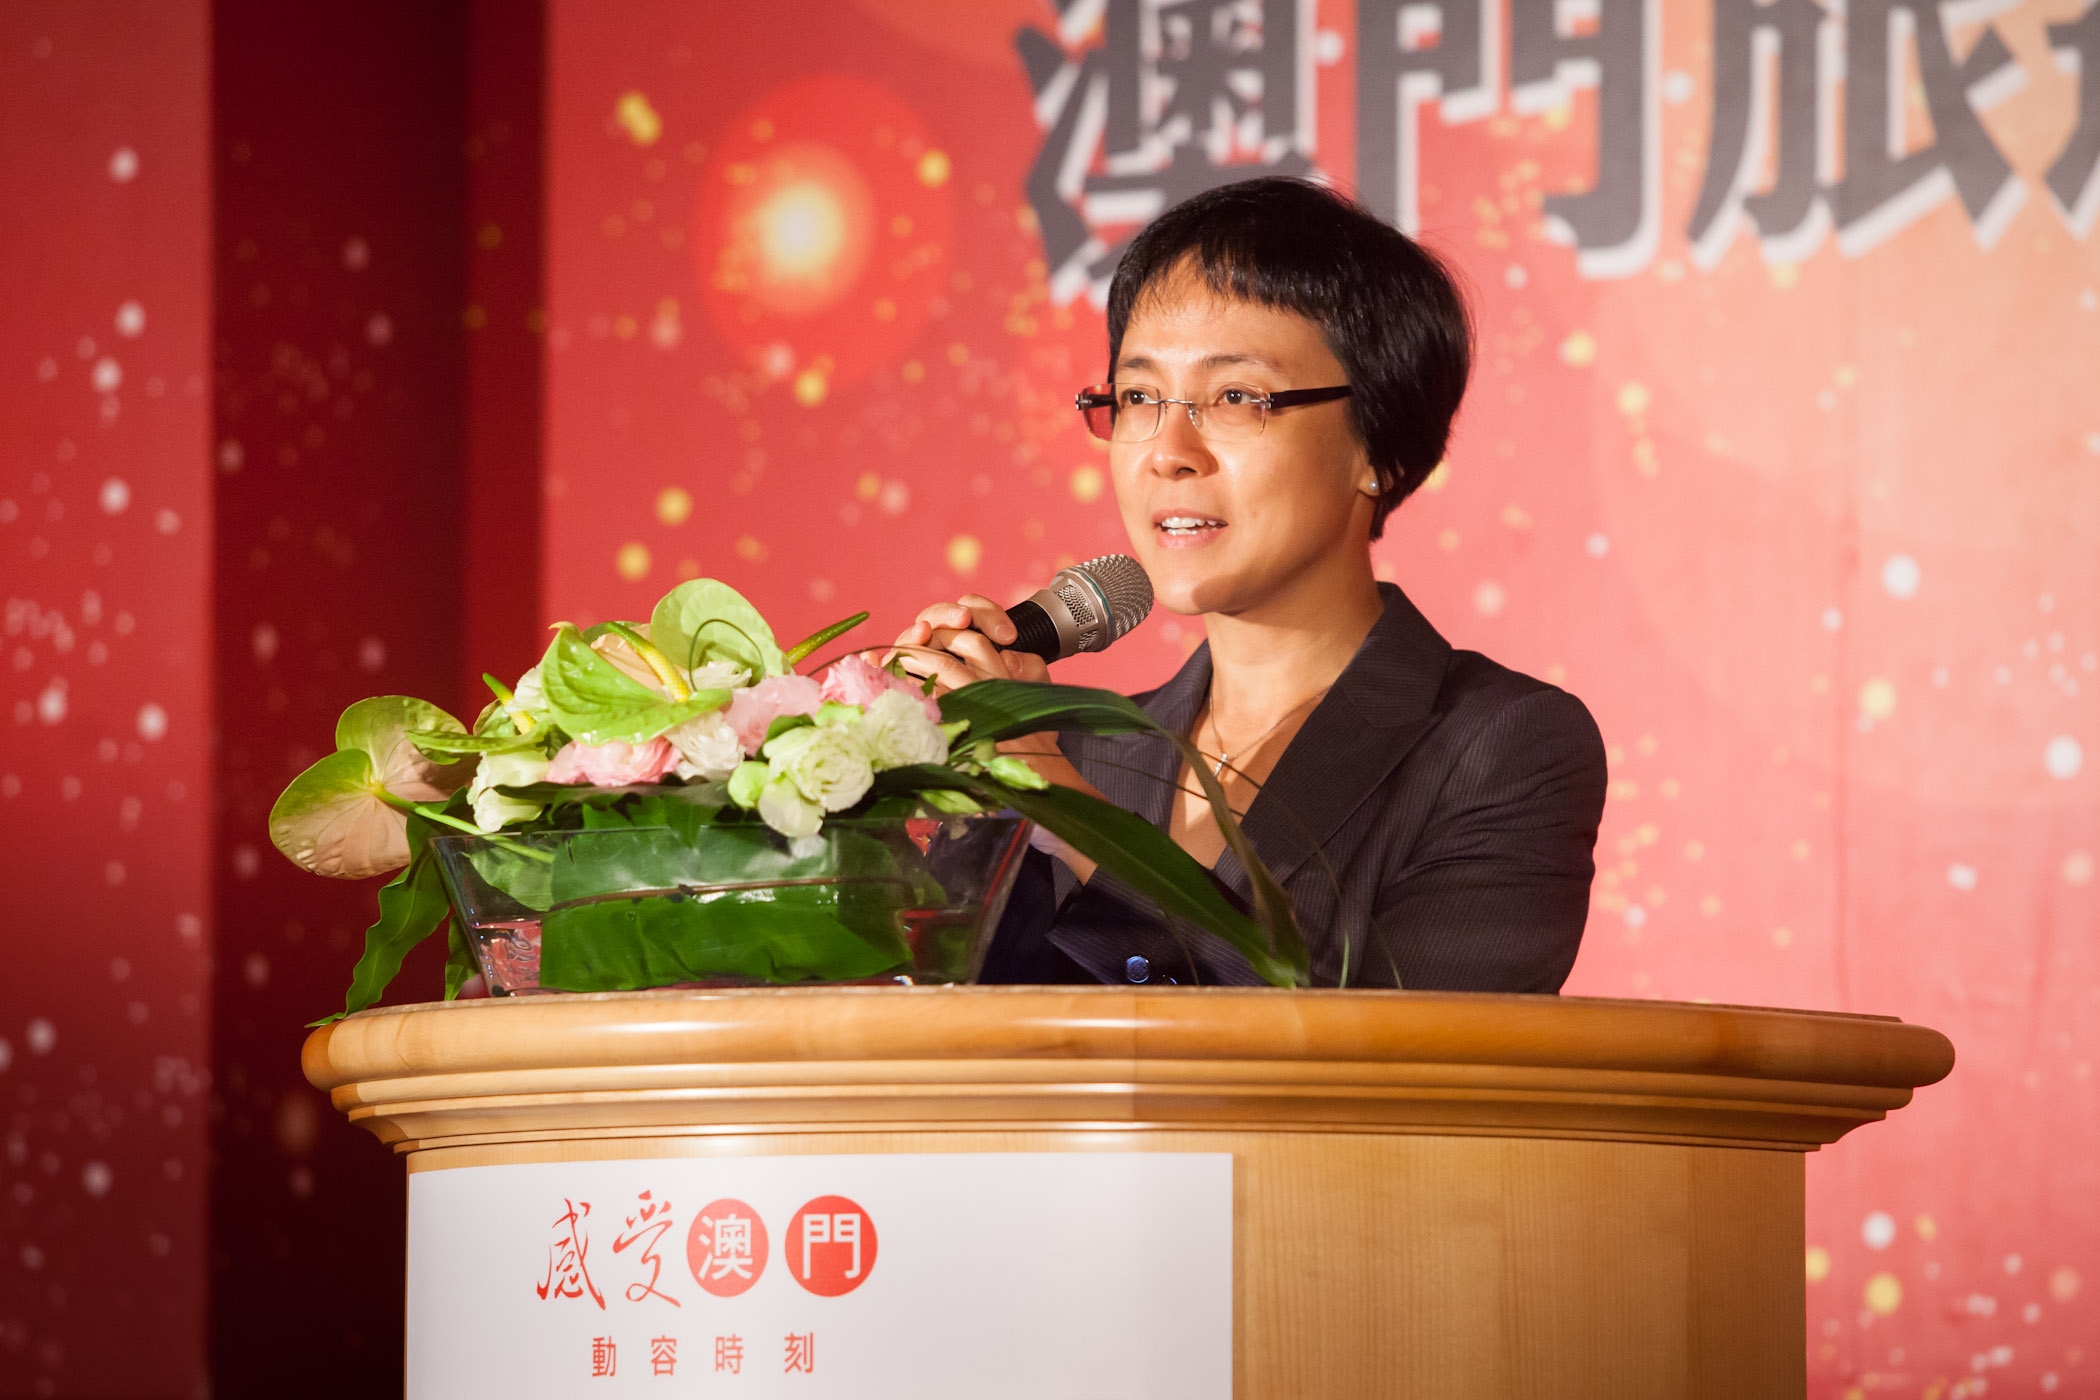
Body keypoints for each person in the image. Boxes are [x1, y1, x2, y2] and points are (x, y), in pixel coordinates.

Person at [891, 177, 1606, 991]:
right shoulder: (1085, 750)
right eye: (1138, 397)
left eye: (1235, 397)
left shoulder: (1498, 748)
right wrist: (903, 789)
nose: (1168, 452)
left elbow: (1389, 1049)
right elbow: (938, 1021)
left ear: (1379, 449)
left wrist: (1074, 816)